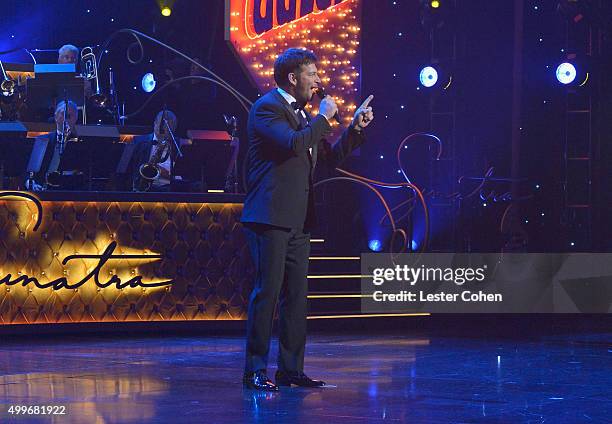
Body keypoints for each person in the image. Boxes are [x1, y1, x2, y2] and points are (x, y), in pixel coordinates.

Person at [241, 48, 374, 391]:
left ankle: (290, 370)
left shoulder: (301, 115)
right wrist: (324, 119)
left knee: (297, 297)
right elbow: (295, 145)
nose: (318, 81)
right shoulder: (268, 108)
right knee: (267, 293)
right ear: (293, 77)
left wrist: (354, 130)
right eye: (312, 74)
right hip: (269, 217)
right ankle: (255, 369)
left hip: (298, 220)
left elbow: (326, 157)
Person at [26, 100, 79, 190]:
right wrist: (30, 182)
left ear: (76, 118)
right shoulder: (42, 140)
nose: (67, 119)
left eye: (70, 116)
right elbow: (27, 168)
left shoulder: (80, 142)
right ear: (56, 117)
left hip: (71, 192)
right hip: (43, 189)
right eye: (64, 114)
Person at [127, 110, 179, 192]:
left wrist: (169, 175)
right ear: (155, 123)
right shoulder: (139, 142)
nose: (164, 128)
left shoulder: (179, 146)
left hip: (170, 191)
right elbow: (128, 170)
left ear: (175, 127)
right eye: (162, 125)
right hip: (144, 191)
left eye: (169, 125)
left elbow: (184, 176)